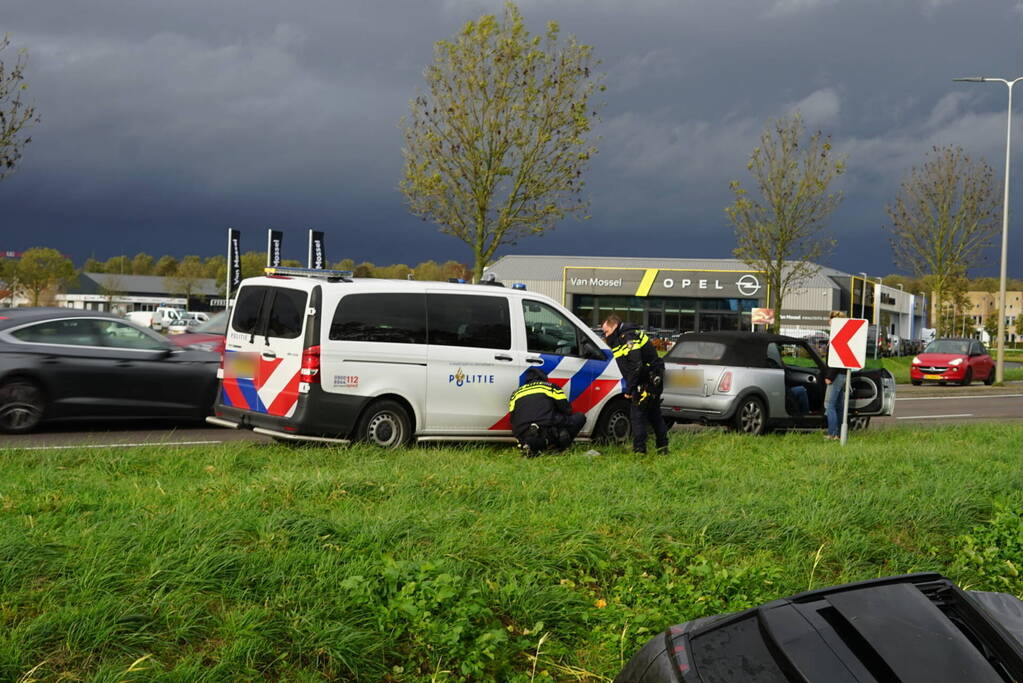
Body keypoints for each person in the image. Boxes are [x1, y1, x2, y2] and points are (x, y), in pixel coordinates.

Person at [601, 315, 669, 454]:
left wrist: (630, 387)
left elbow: (636, 365)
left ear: (614, 326)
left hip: (646, 382)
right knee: (654, 414)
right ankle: (662, 448)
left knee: (637, 416)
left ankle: (640, 451)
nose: (605, 335)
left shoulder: (628, 336)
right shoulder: (623, 337)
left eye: (606, 332)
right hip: (650, 379)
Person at [508, 367, 586, 457]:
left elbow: (513, 418)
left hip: (522, 434)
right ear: (544, 377)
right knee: (579, 417)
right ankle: (557, 447)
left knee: (534, 434)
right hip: (546, 429)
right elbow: (567, 410)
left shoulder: (516, 393)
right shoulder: (551, 387)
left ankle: (532, 444)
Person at [824, 311, 847, 440]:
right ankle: (838, 434)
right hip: (841, 375)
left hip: (836, 375)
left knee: (829, 405)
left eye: (832, 319)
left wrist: (829, 377)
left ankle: (832, 433)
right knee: (838, 405)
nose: (829, 322)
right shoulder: (841, 336)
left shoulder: (837, 337)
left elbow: (836, 360)